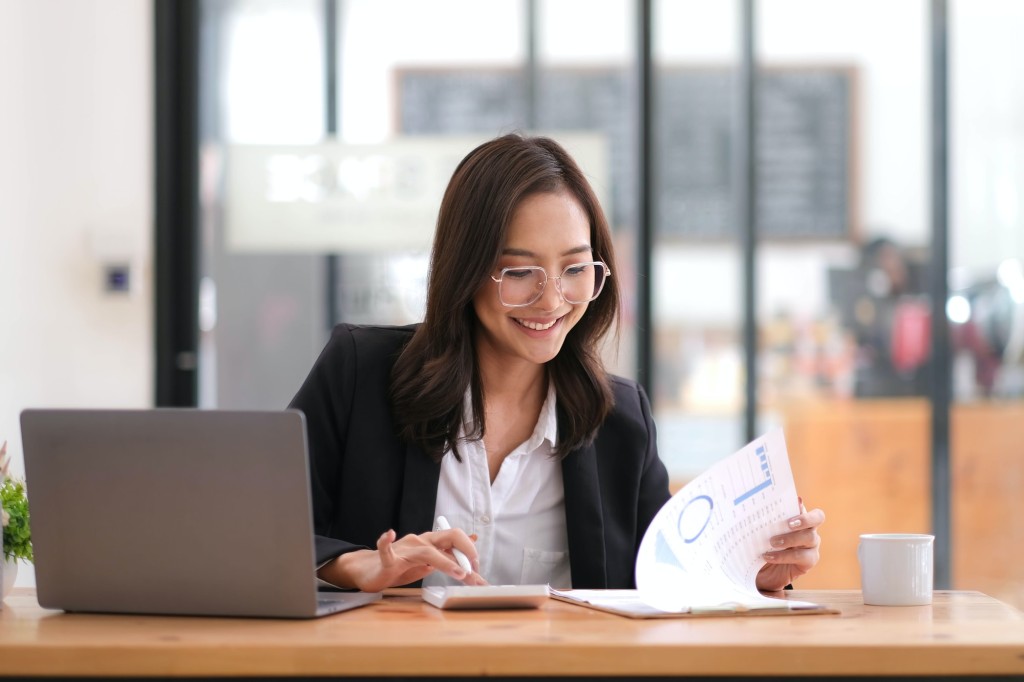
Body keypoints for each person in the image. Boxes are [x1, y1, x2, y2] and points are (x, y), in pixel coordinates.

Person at [289, 132, 824, 593]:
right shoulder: (359, 374)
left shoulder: (621, 421)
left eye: (574, 269)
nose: (551, 300)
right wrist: (349, 565)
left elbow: (661, 581)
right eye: (519, 273)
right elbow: (257, 531)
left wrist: (750, 575)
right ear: (467, 271)